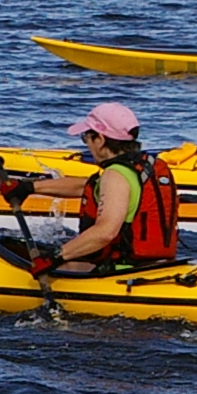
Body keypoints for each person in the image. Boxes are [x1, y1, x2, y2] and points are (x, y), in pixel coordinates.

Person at [40, 102, 181, 274]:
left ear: (100, 139)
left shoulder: (115, 175)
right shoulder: (143, 166)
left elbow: (105, 233)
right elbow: (90, 187)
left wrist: (56, 256)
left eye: (86, 137)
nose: (86, 144)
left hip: (122, 270)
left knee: (53, 265)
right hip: (155, 265)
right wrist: (30, 187)